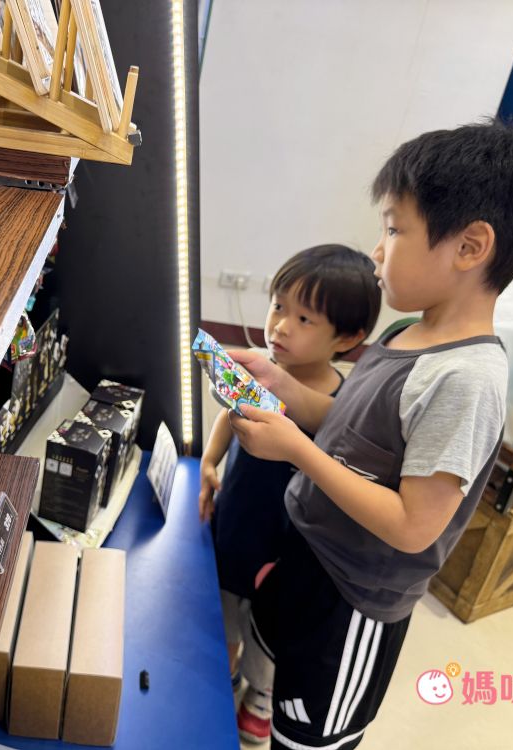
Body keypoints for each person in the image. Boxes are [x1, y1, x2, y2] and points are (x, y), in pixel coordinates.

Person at [228, 119, 513, 750]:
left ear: (470, 246)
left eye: (393, 229)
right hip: (307, 559)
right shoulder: (405, 333)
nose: (378, 252)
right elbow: (347, 428)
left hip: (351, 604)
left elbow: (414, 525)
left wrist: (296, 449)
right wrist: (283, 387)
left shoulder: (466, 380)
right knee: (270, 680)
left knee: (308, 738)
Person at [199, 245, 381, 745]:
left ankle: (260, 696)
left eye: (304, 319)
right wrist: (210, 462)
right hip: (235, 521)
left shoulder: (339, 405)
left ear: (347, 337)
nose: (280, 325)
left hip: (284, 548)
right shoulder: (260, 370)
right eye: (278, 306)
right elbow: (228, 415)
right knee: (223, 617)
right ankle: (222, 679)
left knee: (267, 637)